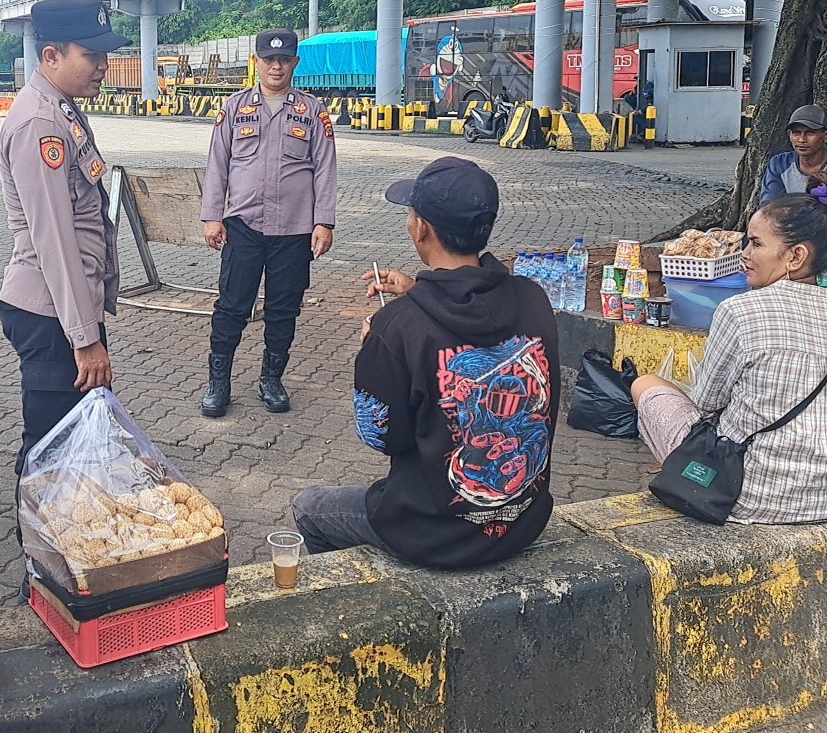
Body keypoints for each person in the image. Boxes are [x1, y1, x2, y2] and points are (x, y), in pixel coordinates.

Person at [291, 157, 562, 568]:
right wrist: (419, 293)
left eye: (411, 215)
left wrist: (373, 356)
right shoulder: (533, 297)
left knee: (309, 508)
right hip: (523, 519)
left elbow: (382, 438)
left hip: (433, 531)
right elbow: (471, 317)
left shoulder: (396, 327)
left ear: (421, 228)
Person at [629, 176, 827, 524]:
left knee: (646, 385)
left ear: (796, 256)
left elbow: (705, 403)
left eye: (756, 244)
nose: (744, 254)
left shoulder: (740, 310)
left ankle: (686, 479)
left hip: (754, 493)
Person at [0, 0, 129, 510]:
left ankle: (68, 536)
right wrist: (85, 338)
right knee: (50, 449)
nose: (103, 65)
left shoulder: (61, 108)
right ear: (51, 55)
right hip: (51, 315)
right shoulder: (40, 124)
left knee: (74, 440)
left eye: (104, 54)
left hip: (66, 311)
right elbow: (54, 240)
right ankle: (38, 546)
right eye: (90, 55)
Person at [199, 29, 338, 417]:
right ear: (256, 62)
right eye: (269, 59)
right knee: (231, 306)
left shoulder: (312, 112)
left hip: (294, 229)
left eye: (284, 60)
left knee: (283, 309)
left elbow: (325, 169)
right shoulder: (234, 108)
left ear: (295, 63)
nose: (276, 66)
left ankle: (271, 380)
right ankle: (219, 383)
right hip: (243, 225)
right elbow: (218, 165)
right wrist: (212, 216)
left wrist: (324, 222)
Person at [759, 104, 827, 205]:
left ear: (826, 136)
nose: (801, 140)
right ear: (789, 135)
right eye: (796, 133)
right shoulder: (779, 163)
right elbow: (769, 205)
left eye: (810, 133)